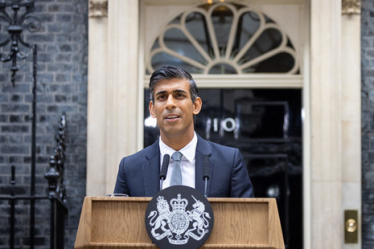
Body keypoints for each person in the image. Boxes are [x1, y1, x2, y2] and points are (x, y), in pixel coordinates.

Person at [114, 65, 254, 197]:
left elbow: (246, 219)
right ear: (152, 109)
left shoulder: (229, 162)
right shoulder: (130, 168)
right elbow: (119, 221)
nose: (170, 104)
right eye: (162, 97)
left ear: (196, 105)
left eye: (179, 95)